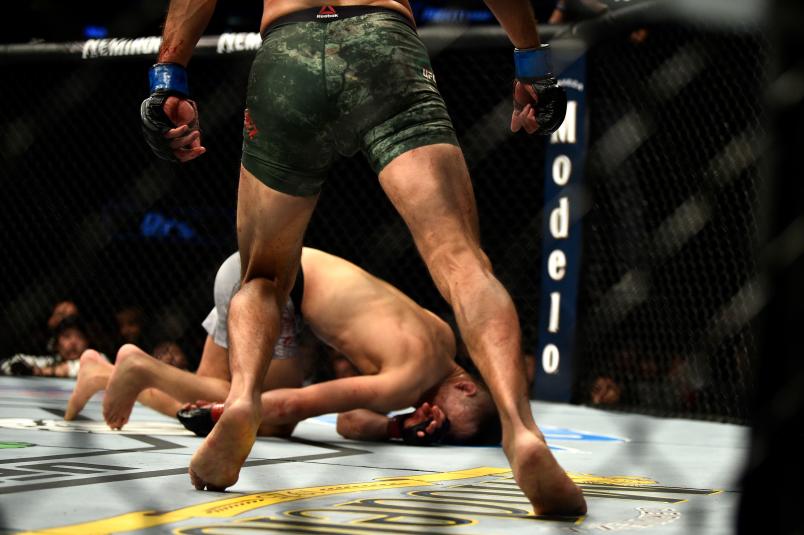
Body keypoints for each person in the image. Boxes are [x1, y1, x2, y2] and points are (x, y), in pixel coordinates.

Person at [140, 0, 584, 515]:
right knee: (462, 263)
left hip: (289, 53)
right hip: (383, 48)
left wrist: (168, 75)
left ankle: (242, 400)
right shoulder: (427, 354)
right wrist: (531, 60)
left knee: (262, 275)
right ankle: (522, 431)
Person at [66, 248, 498, 447]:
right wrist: (233, 410)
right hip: (271, 290)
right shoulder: (410, 379)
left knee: (204, 388)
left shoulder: (442, 334)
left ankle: (101, 373)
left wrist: (398, 428)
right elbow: (292, 404)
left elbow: (350, 422)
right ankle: (141, 367)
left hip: (262, 270)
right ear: (466, 389)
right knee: (265, 420)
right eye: (447, 424)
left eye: (438, 434)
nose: (434, 424)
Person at [2, 315, 97, 378]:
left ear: (87, 343)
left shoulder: (98, 359)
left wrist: (40, 372)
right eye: (66, 336)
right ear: (56, 343)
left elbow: (79, 369)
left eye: (79, 337)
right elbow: (11, 362)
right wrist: (19, 366)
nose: (73, 342)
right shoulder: (52, 361)